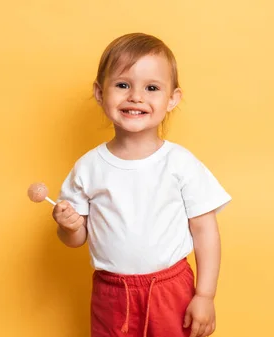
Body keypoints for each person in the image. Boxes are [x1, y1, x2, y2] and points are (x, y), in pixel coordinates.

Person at [51, 32, 232, 337]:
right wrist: (68, 226)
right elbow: (76, 238)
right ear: (100, 92)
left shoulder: (181, 163)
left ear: (172, 98)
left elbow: (205, 231)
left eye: (151, 88)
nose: (136, 96)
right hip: (111, 293)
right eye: (122, 85)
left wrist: (205, 295)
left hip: (170, 289)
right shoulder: (88, 167)